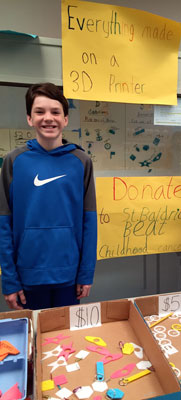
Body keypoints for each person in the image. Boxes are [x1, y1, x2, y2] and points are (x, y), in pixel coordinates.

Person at [0, 82, 97, 309]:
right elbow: (4, 224)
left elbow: (89, 222)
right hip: (27, 278)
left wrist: (86, 273)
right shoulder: (14, 162)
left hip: (69, 277)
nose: (48, 118)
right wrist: (9, 281)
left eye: (55, 112)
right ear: (29, 118)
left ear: (65, 119)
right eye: (40, 111)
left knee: (64, 341)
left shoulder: (81, 162)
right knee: (35, 340)